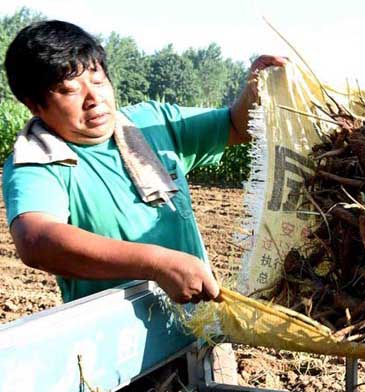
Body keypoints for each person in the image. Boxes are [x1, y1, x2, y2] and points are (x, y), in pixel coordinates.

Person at [1, 20, 286, 305]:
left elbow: (235, 126)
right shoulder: (38, 160)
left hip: (198, 329)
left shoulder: (149, 123)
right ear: (34, 105)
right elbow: (35, 240)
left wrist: (254, 93)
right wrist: (156, 263)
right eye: (70, 90)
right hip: (121, 340)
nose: (94, 99)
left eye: (98, 81)